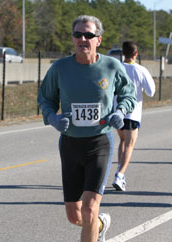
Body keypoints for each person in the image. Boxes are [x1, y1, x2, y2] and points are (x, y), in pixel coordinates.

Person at [37, 15, 136, 242]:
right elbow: (45, 98)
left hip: (99, 143)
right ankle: (101, 225)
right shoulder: (60, 68)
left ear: (98, 40)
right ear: (73, 39)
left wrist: (120, 111)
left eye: (88, 35)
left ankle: (95, 222)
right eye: (78, 34)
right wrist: (52, 117)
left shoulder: (111, 66)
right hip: (70, 144)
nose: (83, 38)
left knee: (90, 208)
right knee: (76, 216)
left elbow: (128, 94)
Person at [112, 41, 155, 191]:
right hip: (132, 112)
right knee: (130, 145)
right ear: (136, 54)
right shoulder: (140, 70)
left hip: (117, 111)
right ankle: (120, 175)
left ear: (123, 53)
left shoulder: (116, 67)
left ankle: (119, 171)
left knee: (122, 141)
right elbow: (151, 91)